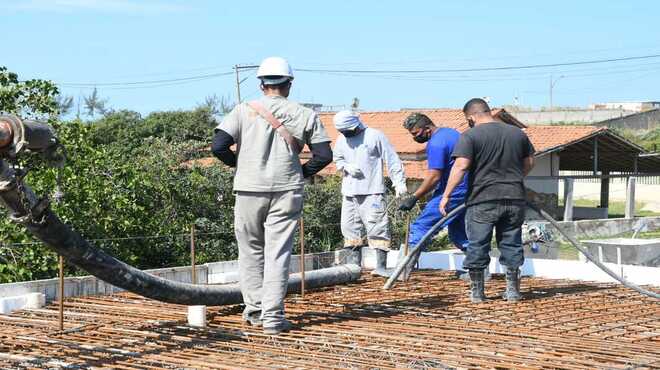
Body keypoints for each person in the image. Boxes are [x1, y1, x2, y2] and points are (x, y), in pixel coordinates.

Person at [211, 57, 332, 334]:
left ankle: (254, 311)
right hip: (286, 190)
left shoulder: (243, 110)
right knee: (277, 254)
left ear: (262, 84)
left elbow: (218, 146)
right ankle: (273, 319)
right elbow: (324, 155)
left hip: (248, 190)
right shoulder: (304, 114)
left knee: (250, 251)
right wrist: (300, 171)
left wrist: (241, 166)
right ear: (288, 84)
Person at [440, 98, 535, 303]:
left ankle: (477, 293)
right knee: (511, 243)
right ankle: (512, 292)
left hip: (482, 199)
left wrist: (446, 195)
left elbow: (461, 166)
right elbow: (529, 162)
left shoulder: (470, 136)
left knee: (478, 244)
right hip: (514, 198)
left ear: (471, 117)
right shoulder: (517, 133)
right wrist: (514, 179)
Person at [333, 110, 407, 277]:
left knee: (377, 228)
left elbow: (392, 160)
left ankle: (380, 266)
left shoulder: (374, 136)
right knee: (349, 228)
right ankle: (354, 267)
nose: (346, 134)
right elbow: (338, 158)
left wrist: (399, 184)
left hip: (372, 191)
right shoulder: (341, 139)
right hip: (349, 192)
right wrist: (346, 166)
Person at [397, 113, 470, 278]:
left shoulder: (436, 143)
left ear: (427, 128)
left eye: (416, 133)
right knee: (457, 232)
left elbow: (434, 177)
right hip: (465, 189)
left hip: (452, 191)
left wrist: (414, 197)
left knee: (421, 227)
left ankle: (401, 272)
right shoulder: (451, 133)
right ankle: (477, 270)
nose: (415, 137)